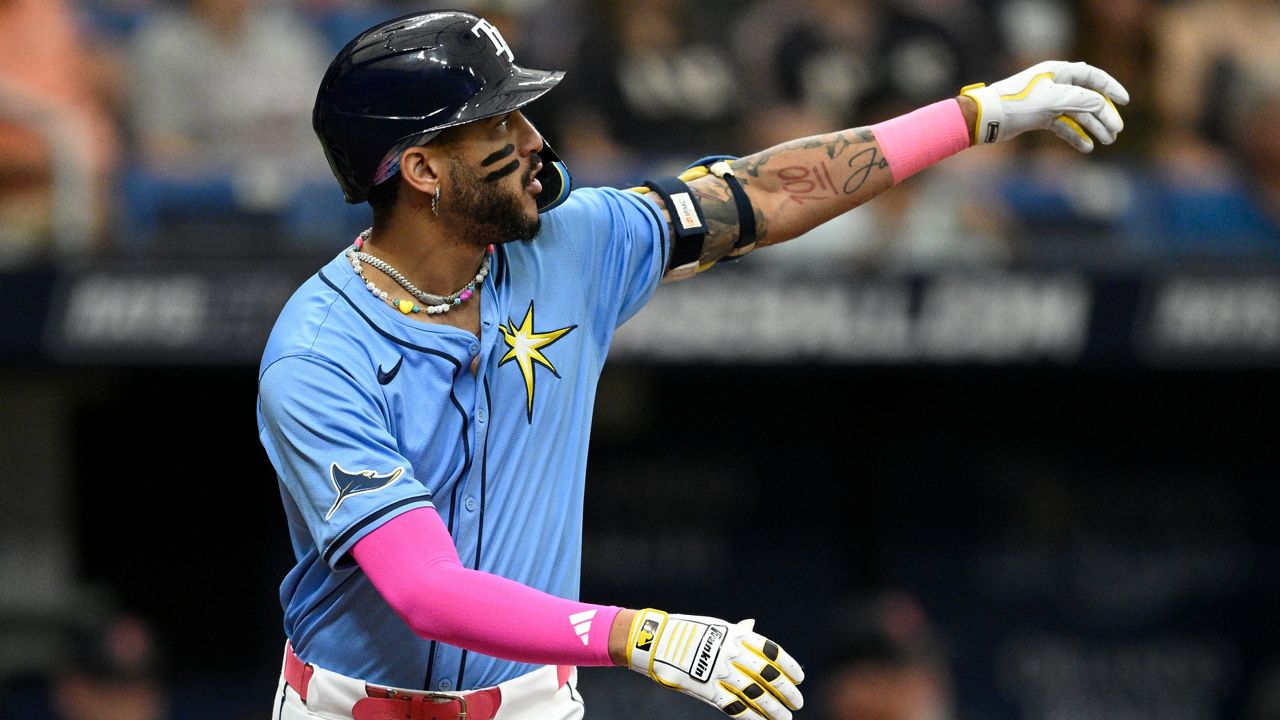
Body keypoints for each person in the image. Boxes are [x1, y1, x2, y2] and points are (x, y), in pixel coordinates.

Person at [256, 10, 1127, 720]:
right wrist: (640, 634)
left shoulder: (574, 242)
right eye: (498, 123)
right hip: (350, 706)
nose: (531, 139)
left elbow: (766, 190)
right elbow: (425, 589)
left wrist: (971, 115)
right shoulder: (319, 352)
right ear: (420, 170)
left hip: (526, 703)